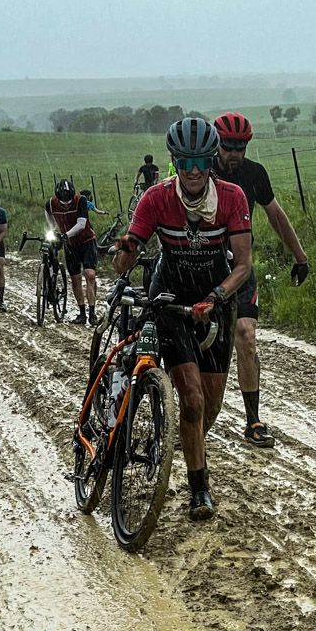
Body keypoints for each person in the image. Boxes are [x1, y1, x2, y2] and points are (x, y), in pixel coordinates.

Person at [112, 118, 252, 521]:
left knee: (208, 407)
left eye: (201, 160)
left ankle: (180, 441)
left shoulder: (232, 198)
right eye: (185, 161)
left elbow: (242, 265)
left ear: (211, 161)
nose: (193, 170)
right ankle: (199, 490)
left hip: (215, 302)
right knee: (190, 398)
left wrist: (215, 297)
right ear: (175, 161)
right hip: (170, 300)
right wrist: (126, 250)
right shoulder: (155, 199)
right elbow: (129, 250)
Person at [211, 112, 310, 448]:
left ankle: (253, 420)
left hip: (241, 267)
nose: (234, 153)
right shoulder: (201, 172)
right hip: (203, 267)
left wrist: (300, 257)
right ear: (217, 144)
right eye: (228, 146)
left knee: (246, 336)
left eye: (240, 147)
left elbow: (276, 216)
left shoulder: (254, 174)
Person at [45, 179, 99, 325]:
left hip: (87, 241)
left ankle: (92, 312)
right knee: (75, 278)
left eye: (69, 201)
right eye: (63, 202)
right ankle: (82, 313)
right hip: (71, 245)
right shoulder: (51, 203)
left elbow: (81, 225)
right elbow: (48, 212)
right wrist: (53, 229)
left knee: (90, 275)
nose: (67, 204)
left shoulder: (80, 201)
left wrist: (65, 235)